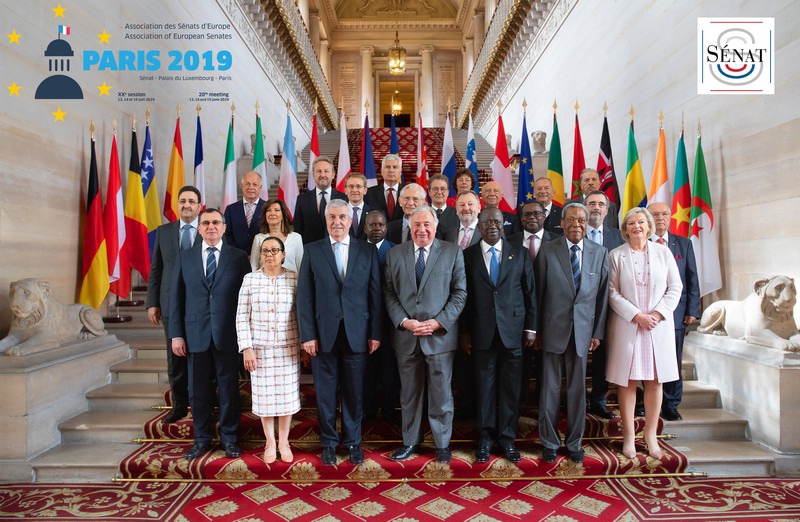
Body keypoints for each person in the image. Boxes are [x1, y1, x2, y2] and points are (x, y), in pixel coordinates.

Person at [297, 199, 382, 466]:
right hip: (323, 335)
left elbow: (375, 295)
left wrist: (375, 333)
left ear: (350, 220)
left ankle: (353, 441)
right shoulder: (312, 251)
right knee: (325, 391)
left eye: (342, 217)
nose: (337, 222)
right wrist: (307, 335)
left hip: (358, 332)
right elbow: (305, 297)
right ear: (326, 220)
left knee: (355, 392)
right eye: (332, 217)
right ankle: (329, 442)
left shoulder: (367, 251)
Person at [384, 205, 467, 463]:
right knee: (409, 395)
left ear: (435, 225)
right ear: (409, 227)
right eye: (416, 225)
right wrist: (403, 321)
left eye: (427, 224)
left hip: (439, 337)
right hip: (406, 337)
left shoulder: (453, 253)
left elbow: (460, 293)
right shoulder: (394, 254)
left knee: (442, 393)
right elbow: (389, 293)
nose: (422, 230)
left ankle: (442, 444)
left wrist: (439, 322)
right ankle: (410, 442)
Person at [169, 208, 251, 460]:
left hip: (228, 334)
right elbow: (176, 299)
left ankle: (229, 438)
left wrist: (245, 336)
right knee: (198, 391)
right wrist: (176, 334)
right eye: (206, 223)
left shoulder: (238, 258)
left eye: (216, 222)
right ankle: (202, 438)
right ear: (200, 228)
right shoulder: (185, 257)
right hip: (195, 335)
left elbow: (246, 299)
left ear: (224, 227)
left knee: (228, 389)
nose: (211, 227)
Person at [535, 203, 609, 464]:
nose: (576, 224)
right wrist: (537, 331)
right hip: (553, 332)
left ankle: (575, 442)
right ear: (562, 223)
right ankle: (549, 442)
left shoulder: (600, 253)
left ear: (587, 223)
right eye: (571, 220)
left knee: (578, 392)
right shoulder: (548, 251)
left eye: (581, 220)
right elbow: (539, 295)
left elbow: (602, 298)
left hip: (583, 334)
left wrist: (597, 332)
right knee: (550, 391)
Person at [461, 208, 536, 463]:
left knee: (510, 388)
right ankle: (484, 437)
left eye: (496, 221)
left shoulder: (520, 253)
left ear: (503, 225)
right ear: (479, 227)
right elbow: (464, 297)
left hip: (513, 333)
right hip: (481, 332)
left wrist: (531, 328)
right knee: (484, 387)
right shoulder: (468, 256)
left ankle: (507, 438)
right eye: (486, 222)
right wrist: (464, 331)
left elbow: (530, 293)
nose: (492, 225)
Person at [607, 207, 682, 459]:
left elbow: (675, 287)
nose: (636, 226)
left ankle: (650, 434)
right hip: (629, 326)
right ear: (625, 229)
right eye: (631, 223)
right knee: (627, 382)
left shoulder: (663, 252)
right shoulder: (616, 255)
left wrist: (658, 314)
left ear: (649, 226)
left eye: (641, 222)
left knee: (654, 381)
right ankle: (629, 434)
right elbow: (611, 291)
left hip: (656, 327)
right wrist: (636, 315)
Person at [236, 237, 300, 464]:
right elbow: (241, 316)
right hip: (259, 349)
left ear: (283, 254)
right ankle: (269, 442)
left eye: (274, 250)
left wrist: (303, 344)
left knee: (286, 397)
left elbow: (299, 314)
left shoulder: (293, 278)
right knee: (264, 398)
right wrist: (247, 348)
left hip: (287, 348)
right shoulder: (250, 280)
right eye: (265, 251)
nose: (270, 254)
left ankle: (284, 441)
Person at [146, 185, 201, 424]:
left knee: (199, 356)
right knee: (175, 357)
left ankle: (202, 402)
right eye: (182, 201)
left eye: (191, 201)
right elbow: (156, 269)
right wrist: (152, 303)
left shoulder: (209, 229)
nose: (186, 205)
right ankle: (179, 405)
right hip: (170, 304)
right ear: (177, 205)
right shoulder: (164, 232)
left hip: (199, 305)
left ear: (199, 206)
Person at [648, 202, 700, 421]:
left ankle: (670, 403)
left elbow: (692, 279)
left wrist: (693, 309)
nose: (660, 218)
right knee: (647, 359)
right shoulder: (637, 242)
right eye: (655, 214)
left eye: (664, 214)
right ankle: (647, 401)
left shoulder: (683, 244)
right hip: (646, 313)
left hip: (676, 313)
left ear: (671, 217)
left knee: (672, 359)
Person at [507, 199, 553, 409]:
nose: (532, 217)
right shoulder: (509, 242)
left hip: (550, 317)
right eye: (527, 214)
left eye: (536, 214)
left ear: (545, 216)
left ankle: (544, 409)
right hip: (517, 318)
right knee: (519, 370)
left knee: (546, 370)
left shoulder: (557, 243)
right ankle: (520, 407)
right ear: (521, 218)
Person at [584, 190, 625, 419]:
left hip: (610, 307)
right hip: (580, 305)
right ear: (585, 207)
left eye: (601, 204)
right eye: (592, 204)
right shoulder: (575, 232)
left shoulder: (618, 237)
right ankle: (577, 399)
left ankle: (598, 398)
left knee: (604, 355)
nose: (596, 208)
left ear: (607, 210)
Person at [362, 210, 400, 425]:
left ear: (387, 227)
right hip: (363, 321)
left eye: (381, 225)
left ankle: (389, 410)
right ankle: (367, 410)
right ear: (365, 228)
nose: (377, 229)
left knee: (389, 370)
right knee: (366, 370)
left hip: (390, 321)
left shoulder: (396, 251)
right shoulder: (357, 249)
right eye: (372, 225)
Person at [293, 156, 347, 244]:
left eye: (326, 171)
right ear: (313, 175)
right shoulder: (302, 200)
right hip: (311, 251)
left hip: (337, 249)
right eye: (318, 171)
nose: (322, 175)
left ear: (333, 174)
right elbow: (297, 230)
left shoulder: (344, 198)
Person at [249, 198, 304, 273]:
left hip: (291, 282)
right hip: (264, 283)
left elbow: (301, 266)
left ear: (283, 214)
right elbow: (254, 266)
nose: (272, 213)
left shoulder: (296, 238)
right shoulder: (258, 238)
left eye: (277, 210)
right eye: (268, 210)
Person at [223, 171, 265, 254]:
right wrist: (238, 253)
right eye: (247, 184)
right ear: (242, 186)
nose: (251, 187)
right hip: (235, 257)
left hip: (262, 257)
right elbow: (226, 234)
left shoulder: (268, 208)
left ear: (260, 187)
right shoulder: (230, 209)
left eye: (255, 184)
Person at [365, 154, 404, 222]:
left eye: (395, 167)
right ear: (381, 171)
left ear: (400, 172)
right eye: (387, 167)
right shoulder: (368, 193)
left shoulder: (407, 192)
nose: (391, 170)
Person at [344, 172, 371, 240]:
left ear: (365, 190)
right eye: (351, 186)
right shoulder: (338, 213)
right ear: (345, 190)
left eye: (358, 186)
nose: (354, 190)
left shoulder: (373, 213)